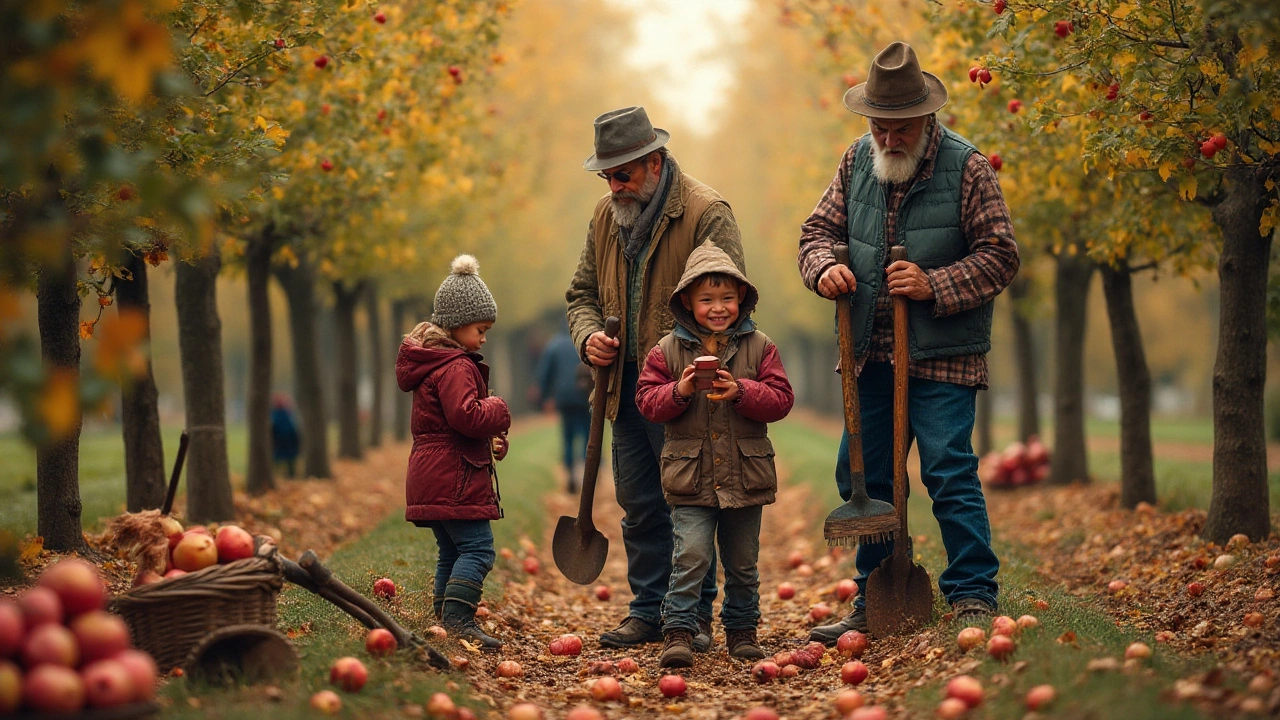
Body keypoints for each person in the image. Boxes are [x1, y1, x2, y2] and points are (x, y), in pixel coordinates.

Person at [796, 42, 1020, 642]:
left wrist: (933, 283)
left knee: (947, 469)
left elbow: (1001, 257)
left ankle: (972, 593)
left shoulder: (969, 168)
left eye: (901, 128)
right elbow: (815, 232)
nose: (889, 139)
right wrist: (824, 269)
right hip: (869, 352)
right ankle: (877, 591)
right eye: (880, 127)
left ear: (926, 119)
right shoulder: (853, 163)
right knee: (861, 475)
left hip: (943, 356)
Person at [566, 106, 746, 651]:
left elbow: (728, 306)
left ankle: (691, 620)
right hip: (623, 393)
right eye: (607, 175)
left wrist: (692, 370)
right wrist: (588, 337)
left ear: (654, 162)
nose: (614, 185)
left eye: (622, 174)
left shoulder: (706, 212)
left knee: (689, 508)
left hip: (686, 392)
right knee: (640, 506)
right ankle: (647, 611)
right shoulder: (606, 216)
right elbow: (581, 295)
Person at [635, 242, 794, 668]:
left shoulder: (761, 347)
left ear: (741, 296)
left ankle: (742, 630)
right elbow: (647, 402)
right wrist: (680, 391)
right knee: (691, 556)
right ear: (687, 301)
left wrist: (742, 391)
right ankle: (680, 631)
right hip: (691, 478)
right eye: (707, 299)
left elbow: (781, 399)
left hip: (746, 474)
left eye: (726, 298)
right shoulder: (665, 351)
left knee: (743, 562)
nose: (718, 308)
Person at [396, 254, 512, 651]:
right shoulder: (457, 365)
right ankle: (460, 621)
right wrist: (497, 409)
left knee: (451, 548)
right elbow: (465, 416)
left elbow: (456, 421)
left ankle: (444, 621)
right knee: (478, 549)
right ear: (458, 323)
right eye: (480, 330)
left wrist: (491, 432)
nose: (483, 339)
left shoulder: (433, 362)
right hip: (454, 476)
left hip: (433, 471)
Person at [534, 322, 592, 493]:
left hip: (564, 397)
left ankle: (570, 473)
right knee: (587, 435)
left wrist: (544, 395)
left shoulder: (554, 345)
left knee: (568, 436)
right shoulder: (584, 342)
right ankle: (585, 472)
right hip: (584, 395)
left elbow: (545, 372)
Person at [269, 393, 301, 478]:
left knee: (279, 462)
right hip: (287, 444)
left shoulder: (274, 415)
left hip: (281, 444)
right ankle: (290, 477)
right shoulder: (288, 415)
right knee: (288, 462)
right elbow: (293, 430)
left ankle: (280, 476)